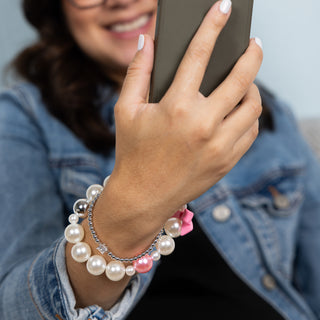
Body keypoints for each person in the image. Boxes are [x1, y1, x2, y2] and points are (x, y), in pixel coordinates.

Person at [0, 0, 319, 319]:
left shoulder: (263, 112)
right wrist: (138, 195)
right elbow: (15, 309)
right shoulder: (23, 117)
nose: (119, 1)